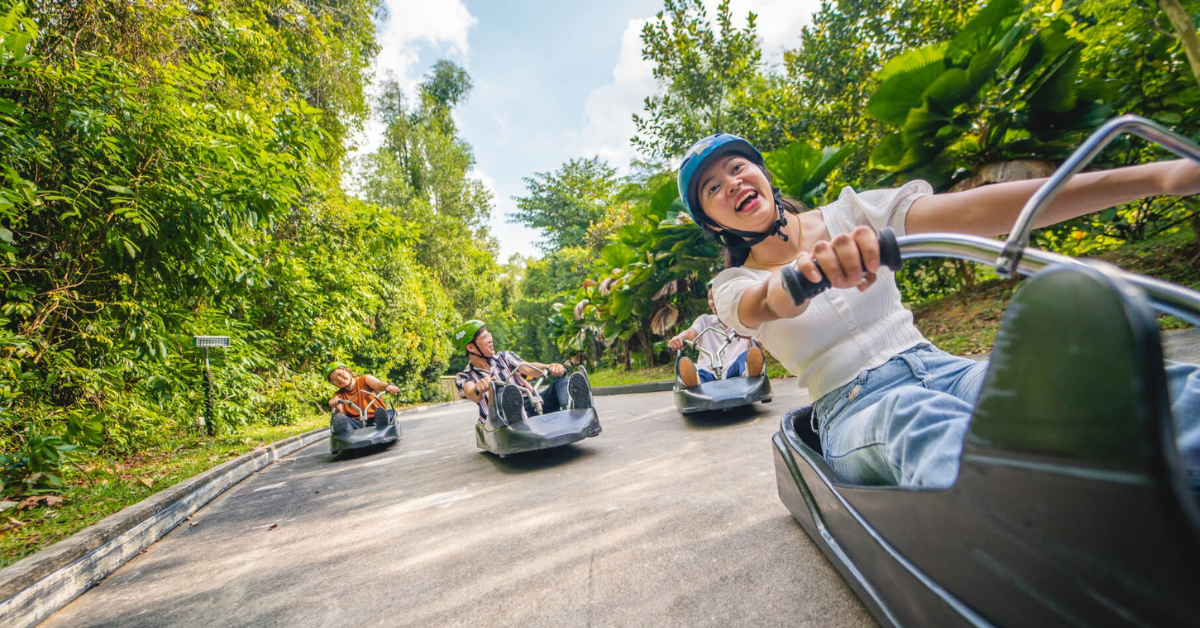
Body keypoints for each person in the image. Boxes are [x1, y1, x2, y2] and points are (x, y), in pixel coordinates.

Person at [677, 132, 1200, 488]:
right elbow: (766, 304)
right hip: (855, 409)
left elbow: (973, 211)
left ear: (763, 174)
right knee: (921, 419)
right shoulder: (732, 284)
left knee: (1100, 380)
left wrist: (1154, 178)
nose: (733, 185)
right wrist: (803, 275)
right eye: (714, 189)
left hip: (942, 368)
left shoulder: (853, 213)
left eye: (738, 169)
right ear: (715, 223)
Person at [451, 319, 592, 423]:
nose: (490, 340)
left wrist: (550, 367)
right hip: (500, 417)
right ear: (471, 348)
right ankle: (516, 419)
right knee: (500, 389)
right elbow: (471, 393)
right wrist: (479, 388)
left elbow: (528, 368)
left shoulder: (504, 357)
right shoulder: (464, 376)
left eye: (490, 335)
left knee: (563, 382)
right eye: (485, 337)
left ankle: (575, 411)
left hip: (530, 405)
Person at [667, 282, 765, 387]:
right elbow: (691, 332)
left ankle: (750, 374)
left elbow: (762, 342)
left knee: (747, 356)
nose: (712, 302)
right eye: (710, 298)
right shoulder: (704, 321)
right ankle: (695, 383)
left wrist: (751, 334)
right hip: (709, 371)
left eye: (715, 298)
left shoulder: (744, 320)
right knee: (698, 370)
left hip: (735, 370)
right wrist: (679, 338)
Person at [324, 362, 398, 435]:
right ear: (333, 383)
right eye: (334, 379)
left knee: (390, 412)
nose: (339, 379)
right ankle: (346, 432)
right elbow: (335, 413)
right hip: (356, 423)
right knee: (342, 420)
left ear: (347, 370)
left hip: (375, 417)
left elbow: (378, 385)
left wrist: (387, 386)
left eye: (339, 374)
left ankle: (380, 424)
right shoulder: (338, 395)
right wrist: (338, 408)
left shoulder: (365, 380)